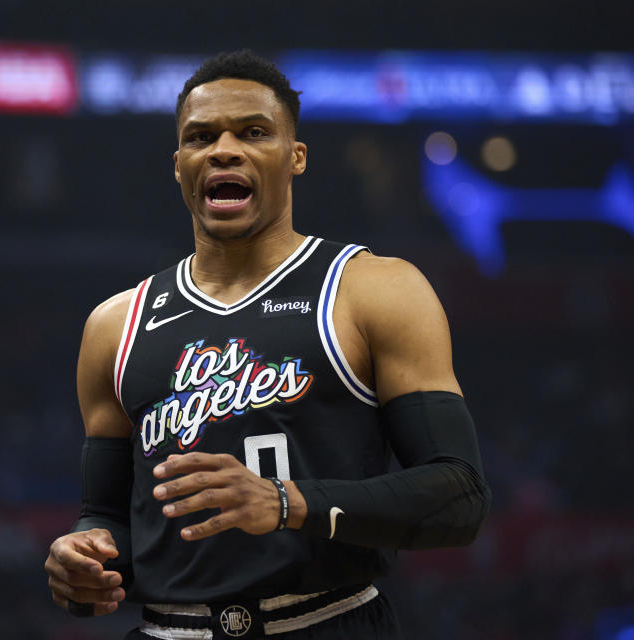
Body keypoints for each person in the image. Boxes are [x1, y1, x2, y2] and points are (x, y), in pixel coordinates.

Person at [44, 50, 491, 639]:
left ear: (295, 157)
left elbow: (458, 495)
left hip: (328, 621)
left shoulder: (373, 290)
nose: (224, 149)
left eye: (253, 132)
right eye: (201, 137)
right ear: (179, 166)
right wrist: (82, 562)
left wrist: (287, 503)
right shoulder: (115, 324)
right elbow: (107, 518)